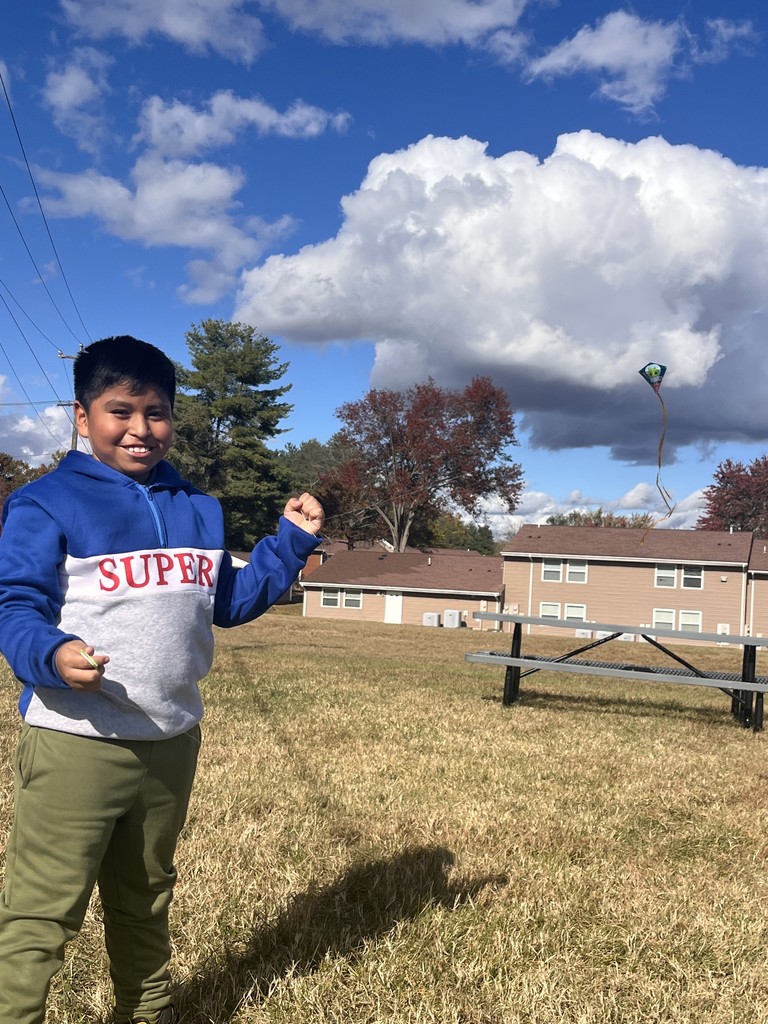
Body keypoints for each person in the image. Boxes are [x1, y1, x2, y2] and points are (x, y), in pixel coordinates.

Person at [0, 335, 324, 1024]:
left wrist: (288, 543)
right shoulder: (45, 504)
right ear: (82, 416)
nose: (141, 429)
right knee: (41, 914)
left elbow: (227, 603)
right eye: (120, 411)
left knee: (146, 897)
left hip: (171, 741)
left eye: (157, 412)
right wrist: (52, 655)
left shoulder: (197, 508)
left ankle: (146, 1014)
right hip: (76, 743)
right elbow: (16, 610)